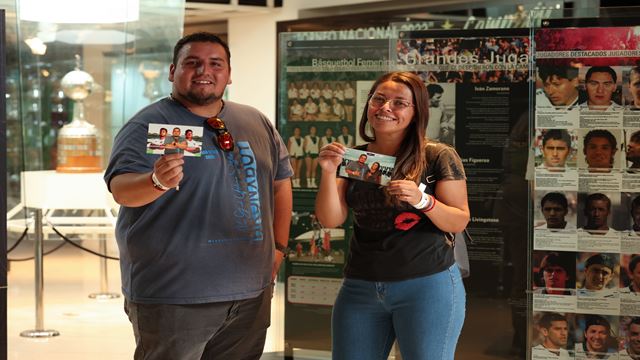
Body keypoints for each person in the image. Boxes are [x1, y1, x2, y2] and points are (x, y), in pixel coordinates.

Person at [104, 32, 293, 360]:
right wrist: (156, 181)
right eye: (192, 63)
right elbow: (122, 191)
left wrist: (278, 248)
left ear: (229, 74)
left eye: (215, 64)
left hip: (250, 293)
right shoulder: (149, 125)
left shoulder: (255, 121)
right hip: (174, 295)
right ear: (172, 71)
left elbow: (280, 183)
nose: (204, 70)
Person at [315, 72, 469, 359]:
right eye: (379, 99)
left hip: (426, 286)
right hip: (361, 285)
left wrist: (423, 200)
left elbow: (459, 219)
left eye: (399, 103)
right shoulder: (355, 159)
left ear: (417, 112)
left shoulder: (437, 156)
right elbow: (330, 219)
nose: (385, 108)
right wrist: (327, 172)